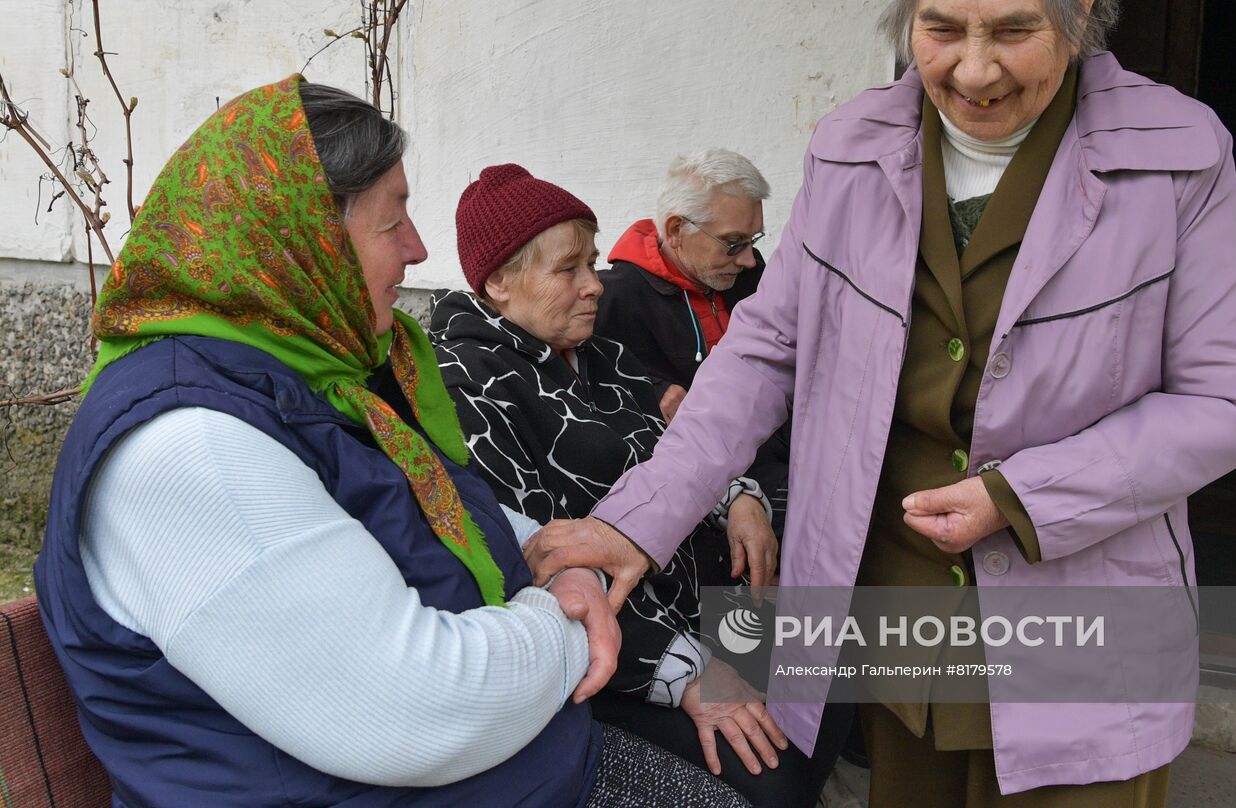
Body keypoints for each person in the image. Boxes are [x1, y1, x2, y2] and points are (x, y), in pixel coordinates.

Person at [526, 0, 1236, 808]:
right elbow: (765, 349)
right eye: (941, 28)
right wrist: (637, 521)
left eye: (1014, 28)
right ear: (905, 17)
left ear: (1082, 7)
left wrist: (1017, 496)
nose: (974, 69)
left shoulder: (1176, 155)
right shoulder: (852, 149)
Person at [34, 78, 750, 807]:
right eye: (393, 221)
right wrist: (634, 637)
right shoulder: (198, 447)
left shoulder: (345, 371)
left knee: (837, 674)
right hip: (642, 656)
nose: (417, 248)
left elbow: (517, 534)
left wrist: (743, 497)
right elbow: (425, 695)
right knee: (815, 698)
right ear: (303, 240)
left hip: (659, 646)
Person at [430, 165, 844, 807]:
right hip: (624, 655)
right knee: (772, 774)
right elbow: (548, 567)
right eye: (569, 269)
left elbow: (689, 445)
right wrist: (687, 675)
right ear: (498, 283)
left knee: (840, 674)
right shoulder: (467, 388)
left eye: (591, 262)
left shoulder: (600, 356)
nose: (595, 285)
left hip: (710, 605)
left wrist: (741, 498)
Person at [596, 150, 791, 535]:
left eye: (753, 240)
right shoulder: (614, 299)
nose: (750, 260)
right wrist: (653, 391)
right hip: (699, 490)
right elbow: (600, 394)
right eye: (733, 243)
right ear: (675, 231)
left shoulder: (750, 275)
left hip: (780, 457)